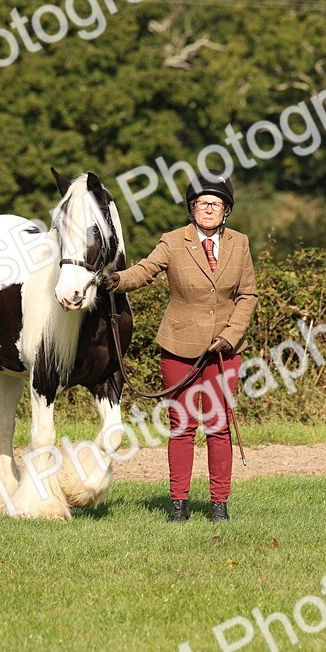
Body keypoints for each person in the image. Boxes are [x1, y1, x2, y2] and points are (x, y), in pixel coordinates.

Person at [102, 174, 258, 521]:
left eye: (216, 203)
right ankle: (179, 504)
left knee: (218, 425)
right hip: (179, 346)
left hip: (225, 350)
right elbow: (144, 270)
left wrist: (232, 334)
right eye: (202, 202)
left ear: (226, 210)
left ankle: (219, 504)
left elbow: (248, 294)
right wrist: (117, 280)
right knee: (182, 425)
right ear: (192, 207)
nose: (208, 208)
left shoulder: (240, 243)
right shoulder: (174, 241)